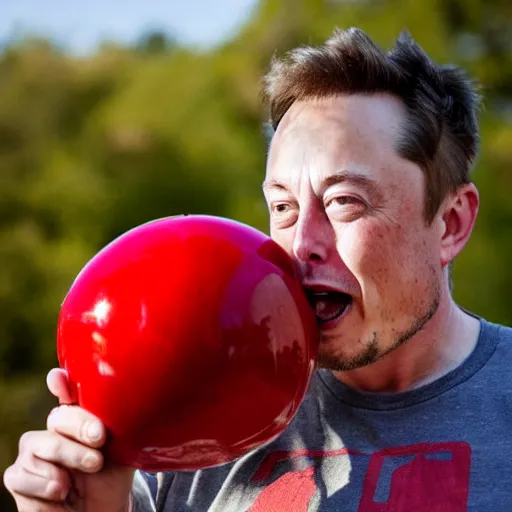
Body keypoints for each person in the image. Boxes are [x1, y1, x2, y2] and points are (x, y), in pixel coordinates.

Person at [4, 27, 512, 512]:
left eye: (344, 202)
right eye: (284, 208)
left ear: (450, 223)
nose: (301, 244)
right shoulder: (192, 404)